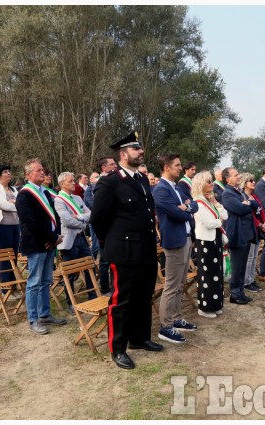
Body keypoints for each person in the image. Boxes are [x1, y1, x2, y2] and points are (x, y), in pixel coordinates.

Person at [90, 131, 164, 369]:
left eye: (140, 149)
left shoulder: (141, 179)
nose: (141, 152)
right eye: (136, 149)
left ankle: (140, 338)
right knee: (121, 301)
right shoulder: (109, 181)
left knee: (143, 296)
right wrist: (111, 243)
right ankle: (118, 348)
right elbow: (98, 219)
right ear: (123, 154)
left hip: (145, 248)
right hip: (123, 251)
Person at [15, 159, 67, 334]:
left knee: (46, 281)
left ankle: (45, 314)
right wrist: (52, 237)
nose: (42, 172)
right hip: (36, 244)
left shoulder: (45, 192)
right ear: (28, 175)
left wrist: (56, 236)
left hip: (49, 243)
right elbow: (31, 223)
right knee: (34, 283)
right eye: (38, 170)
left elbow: (55, 216)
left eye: (42, 170)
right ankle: (33, 319)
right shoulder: (24, 195)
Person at [154, 153, 199, 344]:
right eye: (177, 165)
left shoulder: (176, 187)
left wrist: (186, 207)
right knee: (172, 286)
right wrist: (186, 209)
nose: (180, 168)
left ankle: (176, 318)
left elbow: (194, 204)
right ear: (166, 167)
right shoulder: (160, 189)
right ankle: (165, 327)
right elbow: (175, 213)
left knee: (180, 283)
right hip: (174, 241)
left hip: (186, 238)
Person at [54, 171, 96, 314]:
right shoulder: (59, 200)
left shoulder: (78, 198)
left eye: (73, 180)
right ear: (62, 184)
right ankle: (71, 302)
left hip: (82, 239)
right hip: (69, 241)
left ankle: (93, 296)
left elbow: (90, 214)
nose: (74, 183)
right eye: (70, 181)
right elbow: (66, 220)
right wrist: (82, 221)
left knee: (90, 267)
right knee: (70, 273)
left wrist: (79, 216)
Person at [192, 170, 227, 318]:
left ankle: (216, 304)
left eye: (212, 181)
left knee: (217, 274)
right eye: (208, 181)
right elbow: (208, 223)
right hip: (205, 242)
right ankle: (205, 307)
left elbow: (225, 214)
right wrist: (220, 221)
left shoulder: (209, 201)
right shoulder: (197, 202)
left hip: (215, 240)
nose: (212, 183)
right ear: (201, 183)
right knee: (207, 275)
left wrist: (215, 202)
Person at [221, 167, 258, 305]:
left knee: (242, 266)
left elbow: (254, 204)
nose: (239, 176)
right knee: (237, 266)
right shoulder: (227, 194)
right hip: (237, 234)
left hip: (246, 234)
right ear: (228, 179)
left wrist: (248, 203)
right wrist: (248, 205)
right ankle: (235, 294)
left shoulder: (240, 191)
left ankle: (240, 291)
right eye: (236, 175)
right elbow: (239, 209)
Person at [84, 155, 117, 296]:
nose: (115, 166)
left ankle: (115, 287)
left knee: (115, 260)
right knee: (104, 261)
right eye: (112, 164)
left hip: (116, 228)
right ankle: (105, 289)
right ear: (104, 167)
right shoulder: (93, 187)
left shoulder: (116, 181)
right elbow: (94, 208)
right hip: (103, 228)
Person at [0, 165, 21, 294]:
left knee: (14, 255)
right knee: (5, 255)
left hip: (15, 224)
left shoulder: (13, 189)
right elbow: (2, 204)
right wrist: (13, 205)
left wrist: (13, 204)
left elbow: (19, 202)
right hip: (2, 225)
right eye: (5, 172)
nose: (8, 174)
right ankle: (5, 288)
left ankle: (14, 285)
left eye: (9, 171)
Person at [240, 173, 265, 293]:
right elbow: (249, 215)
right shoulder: (243, 197)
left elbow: (261, 211)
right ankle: (246, 282)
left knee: (255, 256)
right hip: (250, 230)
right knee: (249, 257)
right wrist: (260, 224)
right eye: (250, 180)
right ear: (244, 183)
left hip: (258, 230)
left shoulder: (254, 197)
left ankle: (251, 279)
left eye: (254, 180)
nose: (253, 182)